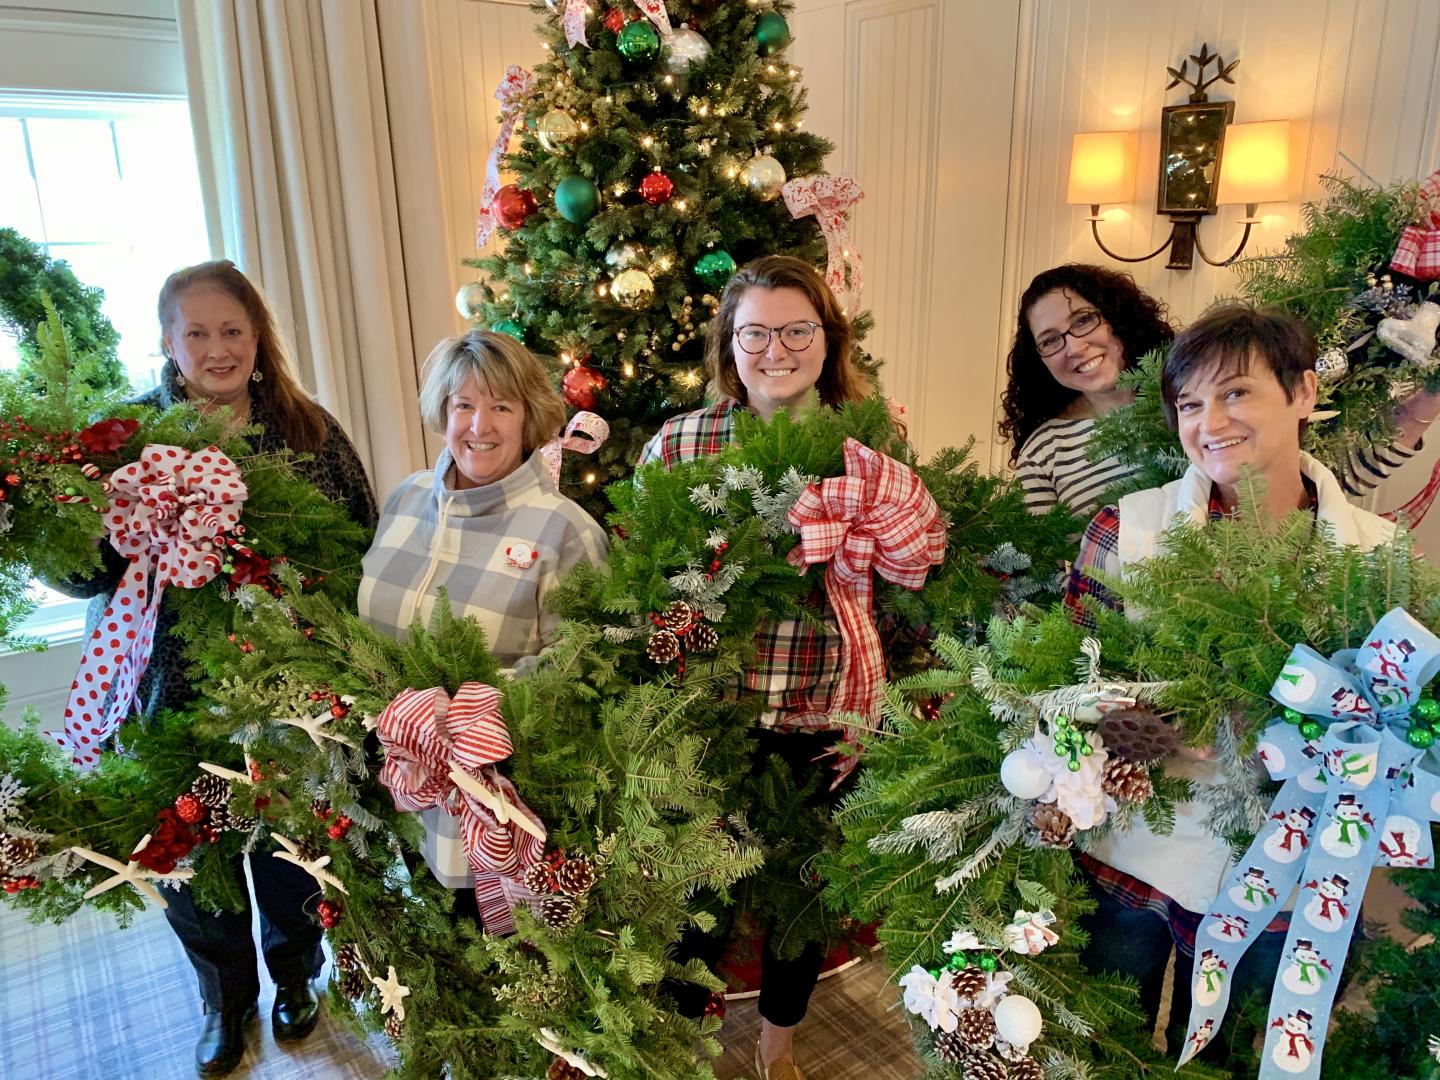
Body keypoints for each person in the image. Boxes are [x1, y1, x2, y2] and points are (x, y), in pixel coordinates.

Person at [53, 260, 378, 1076]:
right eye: (196, 331)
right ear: (167, 340)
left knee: (288, 847)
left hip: (282, 688)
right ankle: (223, 999)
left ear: (259, 337)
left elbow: (358, 546)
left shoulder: (309, 431)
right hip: (164, 693)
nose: (217, 348)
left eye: (232, 330)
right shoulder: (122, 436)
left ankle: (297, 976)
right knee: (188, 861)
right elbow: (79, 570)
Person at [1061, 304, 1395, 1058]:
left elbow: (1398, 723)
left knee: (1238, 1052)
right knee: (1097, 1043)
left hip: (1285, 873)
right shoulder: (1128, 529)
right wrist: (1145, 722)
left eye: (1236, 393)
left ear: (1304, 393)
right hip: (1132, 854)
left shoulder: (1377, 558)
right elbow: (1060, 681)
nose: (1210, 421)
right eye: (1190, 403)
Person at [640, 255, 881, 1080]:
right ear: (728, 346)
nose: (775, 349)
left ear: (827, 339)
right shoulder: (681, 441)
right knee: (695, 899)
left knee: (798, 899)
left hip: (821, 716)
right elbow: (638, 575)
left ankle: (777, 1045)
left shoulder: (866, 444)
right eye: (755, 333)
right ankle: (679, 1046)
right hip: (709, 717)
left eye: (795, 330)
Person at [357, 329, 608, 920]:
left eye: (501, 406)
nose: (479, 425)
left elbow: (582, 667)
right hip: (379, 799)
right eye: (463, 405)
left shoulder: (562, 530)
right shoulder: (405, 499)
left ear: (529, 418)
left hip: (486, 820)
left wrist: (457, 717)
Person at [1002, 263, 1437, 517]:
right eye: (1050, 340)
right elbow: (1037, 573)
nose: (1074, 347)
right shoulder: (1047, 450)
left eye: (1083, 320)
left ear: (1117, 316)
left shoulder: (1205, 406)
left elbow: (1335, 474)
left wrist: (1430, 395)